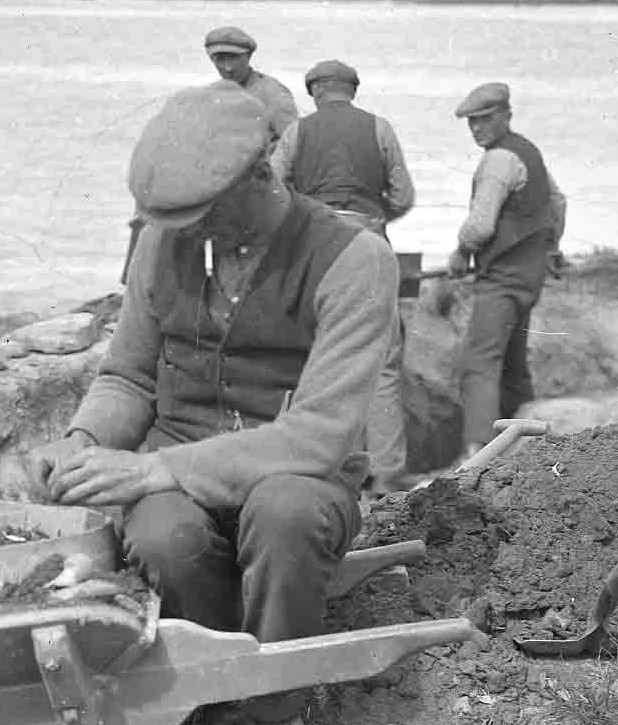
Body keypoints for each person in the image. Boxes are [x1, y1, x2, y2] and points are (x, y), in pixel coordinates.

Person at [31, 85, 399, 725]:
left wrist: (157, 469)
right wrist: (83, 441)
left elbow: (320, 436)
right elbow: (127, 375)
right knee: (166, 536)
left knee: (286, 513)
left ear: (260, 176)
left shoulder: (354, 259)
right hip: (176, 475)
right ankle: (215, 703)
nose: (180, 234)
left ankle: (277, 719)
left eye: (199, 215)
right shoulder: (162, 246)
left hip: (296, 474)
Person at [270, 59, 417, 493]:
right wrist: (375, 216)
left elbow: (272, 191)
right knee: (384, 362)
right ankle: (387, 476)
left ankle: (317, 466)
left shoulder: (298, 131)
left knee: (314, 359)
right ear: (352, 90)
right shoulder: (380, 128)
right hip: (370, 241)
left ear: (315, 91)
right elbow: (403, 194)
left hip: (316, 247)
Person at [446, 81, 568, 460]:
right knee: (514, 363)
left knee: (479, 364)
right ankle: (525, 444)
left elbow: (480, 226)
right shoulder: (528, 151)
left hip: (500, 280)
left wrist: (460, 252)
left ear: (506, 116)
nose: (477, 129)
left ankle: (476, 453)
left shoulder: (498, 161)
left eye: (484, 120)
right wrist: (549, 247)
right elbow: (558, 203)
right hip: (529, 277)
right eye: (472, 123)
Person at [203, 25, 300, 144]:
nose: (228, 67)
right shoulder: (210, 96)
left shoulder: (272, 93)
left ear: (248, 56)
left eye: (234, 58)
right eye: (220, 59)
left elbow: (294, 143)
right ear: (212, 60)